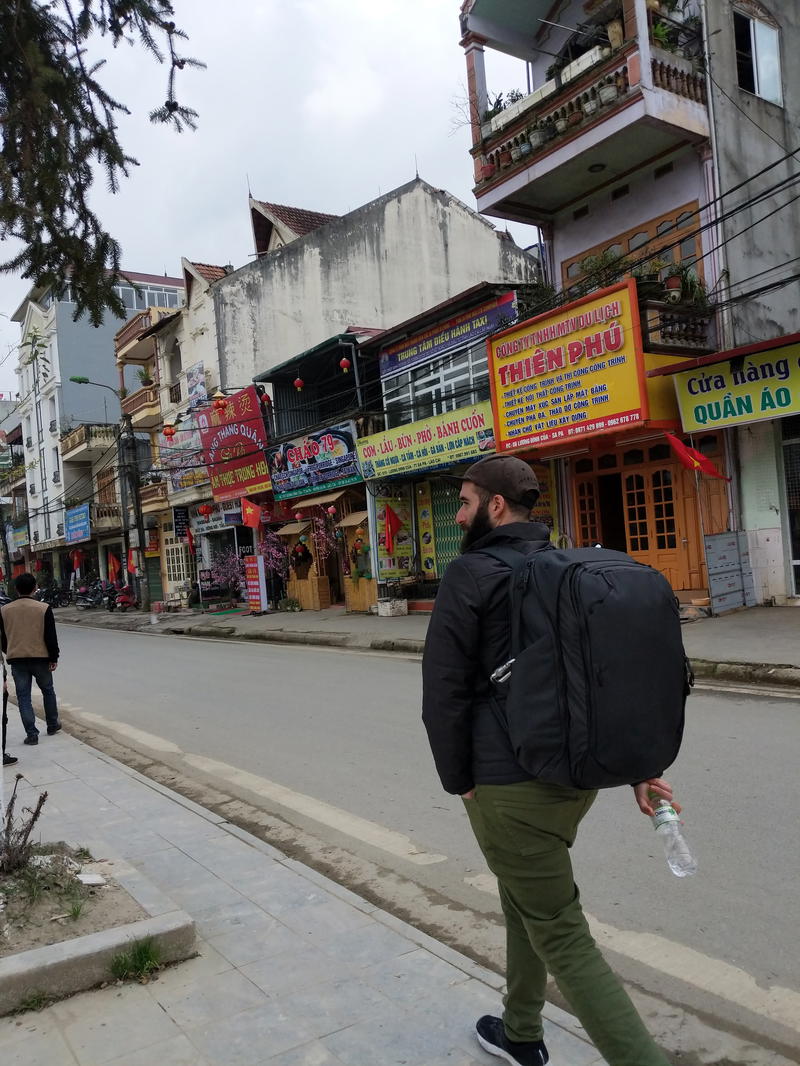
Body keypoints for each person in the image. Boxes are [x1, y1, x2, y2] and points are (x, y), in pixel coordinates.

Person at [422, 454, 676, 1066]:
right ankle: (520, 1030)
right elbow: (611, 677)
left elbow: (444, 692)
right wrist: (639, 765)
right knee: (526, 899)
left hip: (508, 788)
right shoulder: (566, 570)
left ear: (495, 506)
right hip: (575, 780)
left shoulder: (471, 573)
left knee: (560, 928)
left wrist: (462, 782)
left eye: (463, 502)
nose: (459, 515)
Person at [0, 572, 61, 746]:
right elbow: (51, 636)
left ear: (16, 589)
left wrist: (9, 650)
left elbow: (3, 638)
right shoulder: (44, 608)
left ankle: (31, 734)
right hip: (41, 658)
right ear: (34, 588)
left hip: (17, 660)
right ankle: (52, 724)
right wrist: (53, 656)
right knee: (47, 690)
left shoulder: (4, 610)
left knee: (23, 696)